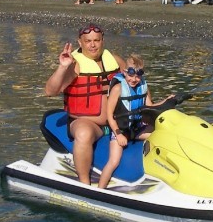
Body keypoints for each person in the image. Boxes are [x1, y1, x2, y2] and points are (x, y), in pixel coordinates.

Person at [44, 24, 125, 185]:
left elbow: (138, 84)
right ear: (80, 42)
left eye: (96, 40)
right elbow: (50, 91)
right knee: (83, 134)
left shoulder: (114, 60)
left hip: (116, 122)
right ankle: (84, 183)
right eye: (88, 41)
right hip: (87, 122)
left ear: (103, 41)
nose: (92, 45)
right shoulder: (75, 64)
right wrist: (62, 67)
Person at [98, 55, 174, 190]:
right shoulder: (118, 89)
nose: (134, 79)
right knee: (114, 161)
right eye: (131, 74)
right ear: (124, 72)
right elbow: (109, 116)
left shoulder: (143, 85)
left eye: (138, 75)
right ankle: (99, 190)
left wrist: (167, 101)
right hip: (120, 131)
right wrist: (118, 134)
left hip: (137, 128)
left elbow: (150, 107)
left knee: (162, 136)